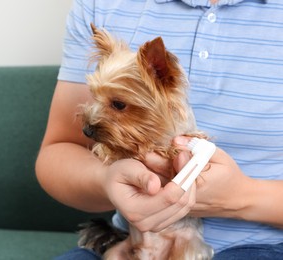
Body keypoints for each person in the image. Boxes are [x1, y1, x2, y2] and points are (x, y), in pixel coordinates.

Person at [35, 0, 283, 259]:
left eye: (118, 105)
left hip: (261, 245)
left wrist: (240, 197)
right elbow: (60, 149)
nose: (92, 122)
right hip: (131, 241)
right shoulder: (101, 5)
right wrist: (107, 180)